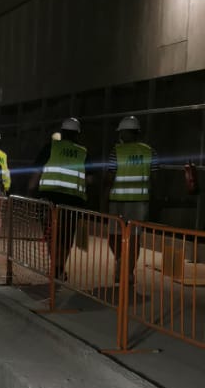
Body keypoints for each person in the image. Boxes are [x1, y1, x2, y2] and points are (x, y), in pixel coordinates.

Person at [30, 116, 88, 280]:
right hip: (73, 201)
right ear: (78, 134)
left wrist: (31, 192)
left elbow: (36, 174)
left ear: (62, 132)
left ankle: (56, 266)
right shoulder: (83, 152)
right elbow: (90, 178)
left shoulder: (50, 148)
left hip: (48, 199)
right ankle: (59, 267)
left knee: (50, 234)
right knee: (66, 236)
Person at [102, 115, 155, 283]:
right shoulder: (149, 151)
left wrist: (104, 199)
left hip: (118, 201)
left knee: (114, 236)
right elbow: (155, 178)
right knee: (134, 238)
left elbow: (110, 178)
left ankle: (120, 263)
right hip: (140, 202)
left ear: (125, 132)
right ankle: (128, 271)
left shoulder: (116, 151)